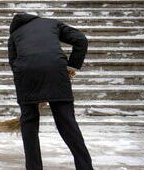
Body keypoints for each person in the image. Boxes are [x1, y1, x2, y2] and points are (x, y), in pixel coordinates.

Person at [8, 13, 93, 170]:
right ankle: (85, 167)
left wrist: (31, 91)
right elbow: (81, 39)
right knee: (67, 123)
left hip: (26, 75)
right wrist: (72, 66)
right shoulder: (51, 23)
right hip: (56, 70)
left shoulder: (15, 34)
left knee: (29, 124)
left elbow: (13, 63)